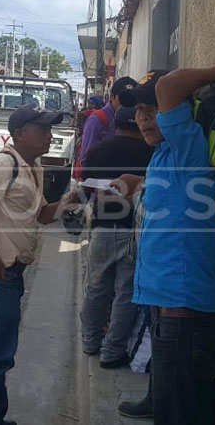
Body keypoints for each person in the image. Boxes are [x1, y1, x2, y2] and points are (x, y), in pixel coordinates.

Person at [112, 65, 215, 425]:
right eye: (138, 111)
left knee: (186, 411)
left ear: (179, 112)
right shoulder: (166, 155)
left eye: (153, 109)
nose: (141, 117)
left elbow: (171, 84)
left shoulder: (190, 144)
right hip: (168, 309)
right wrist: (139, 183)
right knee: (191, 399)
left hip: (184, 317)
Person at [0, 104, 79, 425]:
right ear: (19, 134)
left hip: (9, 275)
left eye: (50, 130)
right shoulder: (4, 163)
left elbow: (40, 215)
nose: (50, 136)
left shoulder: (32, 169)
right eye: (42, 130)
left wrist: (66, 203)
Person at [80, 106, 154, 368]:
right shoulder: (150, 152)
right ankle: (113, 352)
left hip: (102, 228)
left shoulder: (98, 150)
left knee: (96, 287)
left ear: (117, 125)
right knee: (126, 292)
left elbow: (84, 182)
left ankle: (90, 341)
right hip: (132, 230)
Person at [78, 77, 138, 165]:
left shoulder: (139, 119)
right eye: (123, 98)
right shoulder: (97, 119)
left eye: (132, 98)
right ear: (112, 97)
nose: (127, 102)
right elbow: (86, 158)